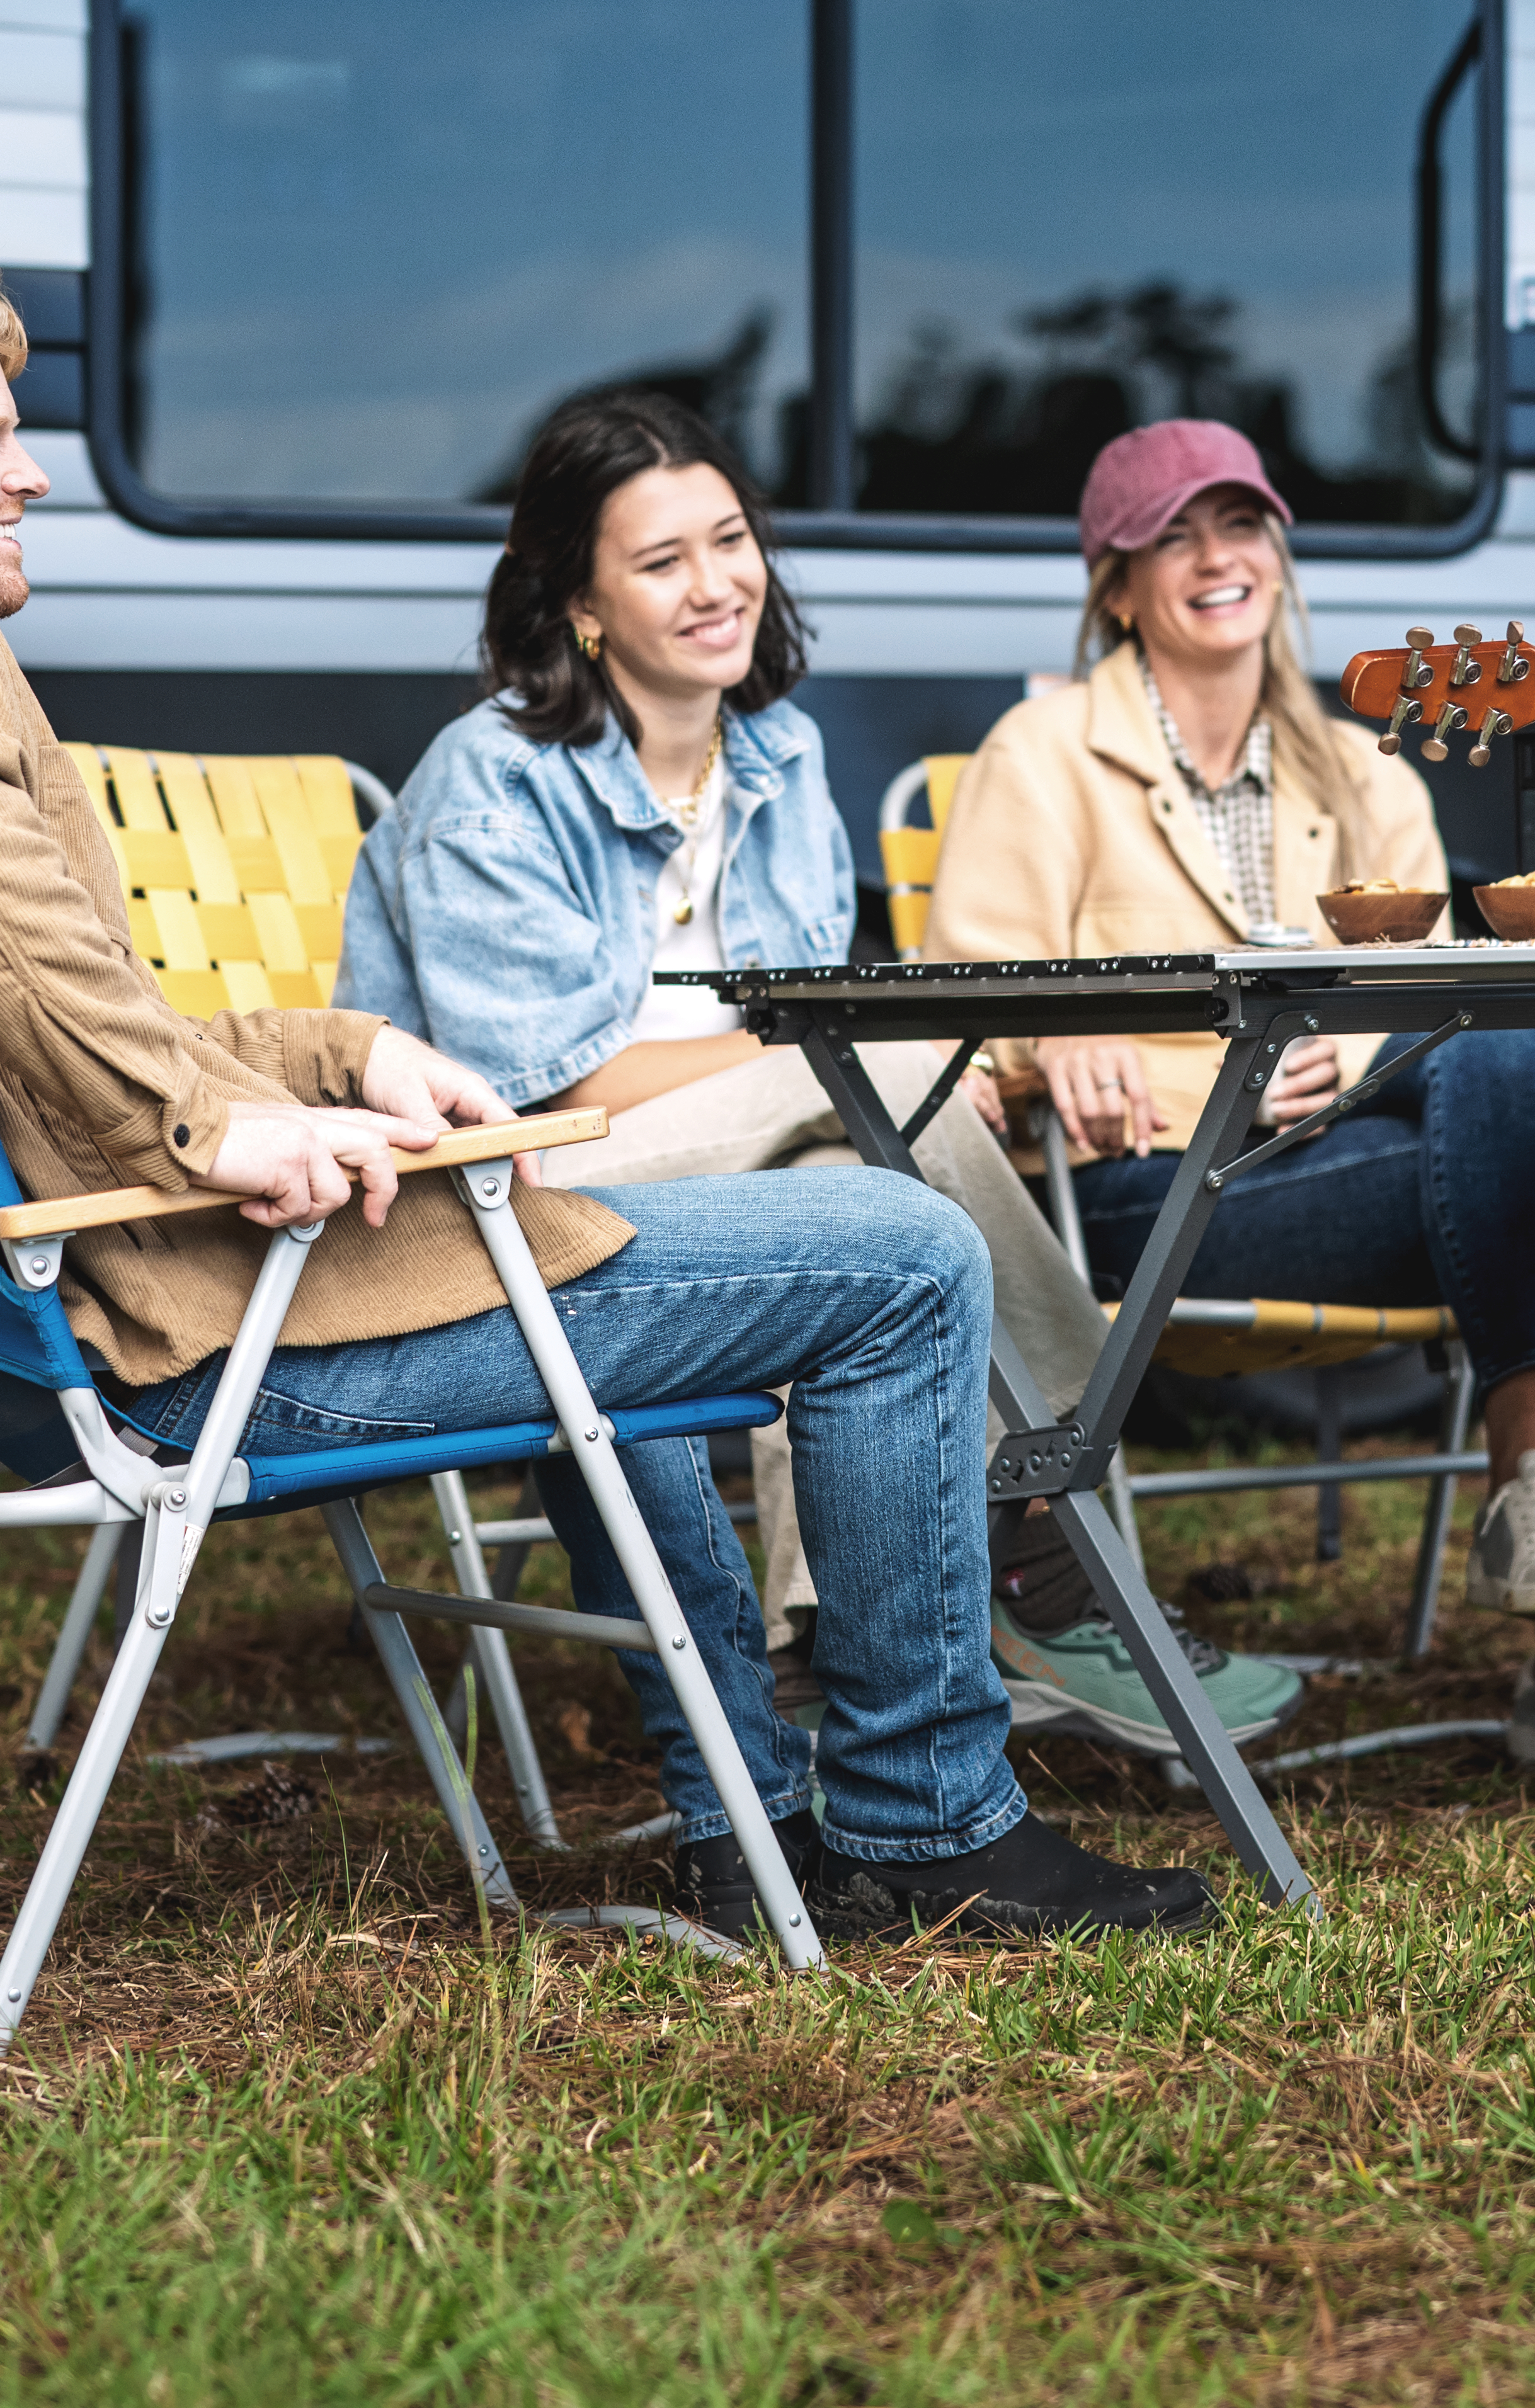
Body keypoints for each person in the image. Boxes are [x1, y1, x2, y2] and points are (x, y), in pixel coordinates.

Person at [0, 246, 1213, 1945]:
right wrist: (215, 1128)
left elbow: (2, 994)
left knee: (655, 1268)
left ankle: (747, 1824)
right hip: (182, 1340)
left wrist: (333, 1056)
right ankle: (933, 1828)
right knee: (899, 1258)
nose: (30, 471)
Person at [336, 389, 1303, 1758]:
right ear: (582, 601)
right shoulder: (490, 780)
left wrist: (835, 1075)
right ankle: (1040, 1512)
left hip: (719, 1171)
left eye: (730, 540)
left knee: (858, 1175)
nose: (717, 583)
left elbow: (807, 1057)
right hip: (501, 1186)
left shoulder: (781, 762)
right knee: (868, 1085)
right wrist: (842, 1065)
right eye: (662, 560)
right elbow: (541, 1082)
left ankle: (817, 1649)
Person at [927, 417, 1535, 1793]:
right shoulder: (1045, 750)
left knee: (1504, 1054)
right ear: (1115, 583)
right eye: (1172, 536)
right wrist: (1050, 1028)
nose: (1216, 558)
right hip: (1162, 1193)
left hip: (1359, 1165)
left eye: (1241, 527)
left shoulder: (1363, 771)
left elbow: (1427, 1005)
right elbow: (960, 997)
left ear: (1280, 559)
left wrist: (1359, 1044)